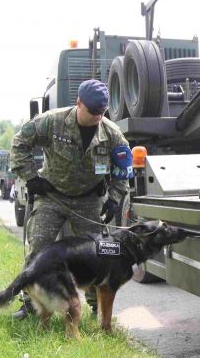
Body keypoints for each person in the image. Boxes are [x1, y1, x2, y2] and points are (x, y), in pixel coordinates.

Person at [10, 79, 130, 319]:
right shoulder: (52, 121)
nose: (98, 117)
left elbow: (123, 169)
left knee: (98, 253)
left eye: (102, 112)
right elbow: (19, 143)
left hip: (88, 200)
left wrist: (115, 198)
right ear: (79, 103)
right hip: (52, 196)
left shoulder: (111, 133)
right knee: (39, 247)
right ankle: (30, 304)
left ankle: (97, 304)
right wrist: (31, 177)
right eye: (93, 111)